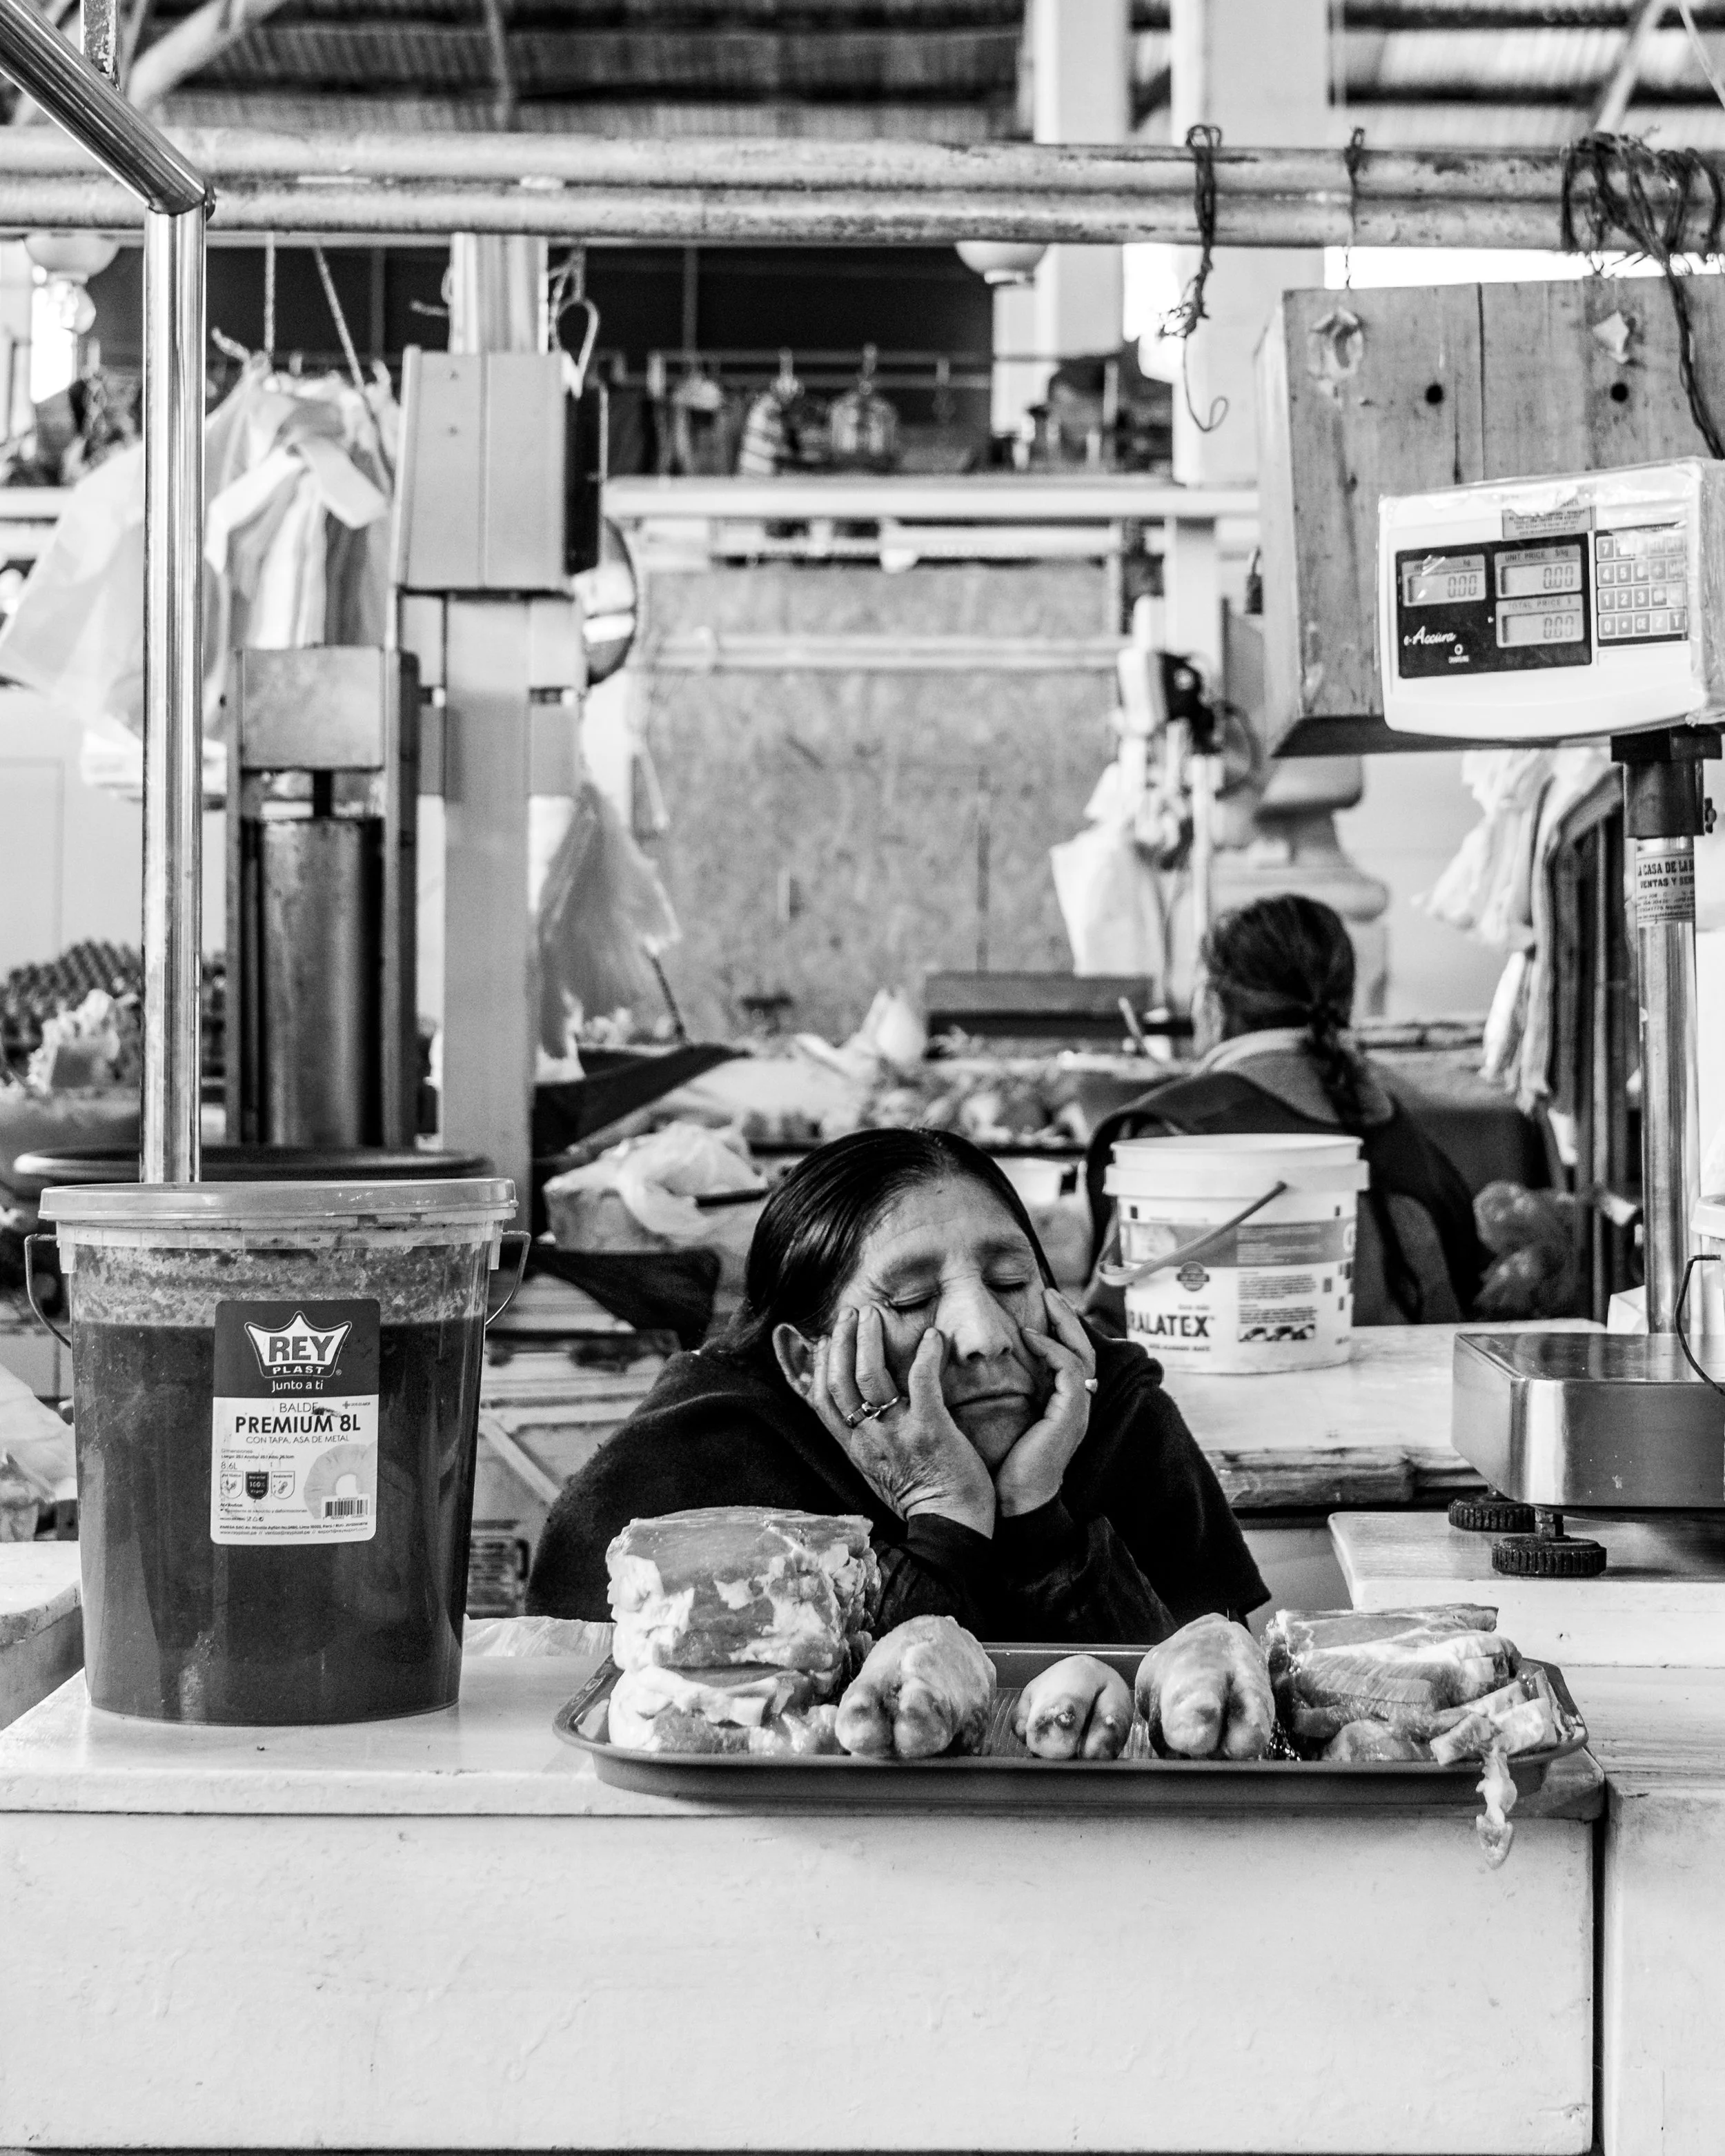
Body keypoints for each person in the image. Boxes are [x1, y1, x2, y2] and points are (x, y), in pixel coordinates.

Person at [529, 1127, 1268, 1644]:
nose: (985, 1334)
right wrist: (944, 1516)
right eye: (912, 1301)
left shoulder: (1115, 1416)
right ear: (800, 1361)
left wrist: (1039, 1517)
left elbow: (1202, 1704)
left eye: (1011, 1280)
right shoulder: (698, 1469)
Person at [1083, 894, 1486, 1329]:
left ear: (1213, 1008)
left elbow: (1108, 1325)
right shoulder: (1398, 1124)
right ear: (1346, 1001)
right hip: (1397, 1392)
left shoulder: (1171, 1132)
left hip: (1206, 1397)